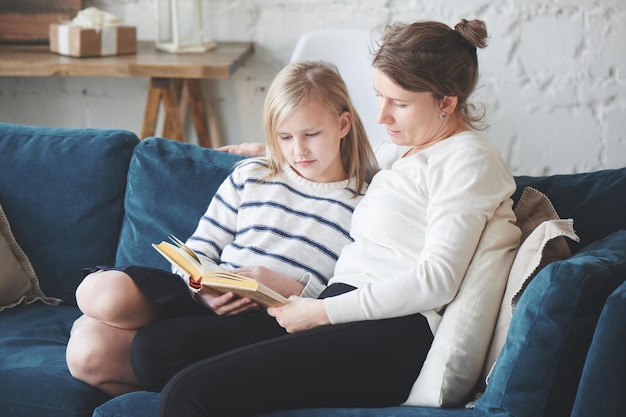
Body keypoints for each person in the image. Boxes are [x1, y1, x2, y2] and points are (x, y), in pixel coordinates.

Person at [135, 18, 522, 417]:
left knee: (189, 395)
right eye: (379, 97)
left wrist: (321, 312)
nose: (383, 116)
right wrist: (273, 150)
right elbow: (338, 149)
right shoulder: (400, 152)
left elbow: (437, 280)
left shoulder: (469, 160)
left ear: (447, 102)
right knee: (156, 349)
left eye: (400, 103)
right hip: (342, 313)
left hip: (391, 332)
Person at [65, 60, 378, 396]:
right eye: (284, 137)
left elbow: (345, 299)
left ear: (343, 124)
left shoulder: (369, 201)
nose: (298, 150)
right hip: (208, 299)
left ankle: (175, 370)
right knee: (97, 291)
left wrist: (284, 286)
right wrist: (205, 292)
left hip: (274, 323)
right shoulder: (252, 175)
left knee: (88, 354)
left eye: (311, 135)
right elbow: (198, 249)